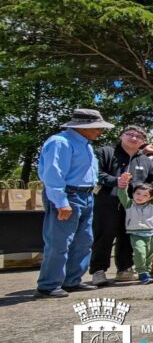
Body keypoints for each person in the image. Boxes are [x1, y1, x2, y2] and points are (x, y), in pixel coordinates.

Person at [35, 109, 114, 298]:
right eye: (97, 127)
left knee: (84, 241)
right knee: (59, 242)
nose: (100, 131)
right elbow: (52, 174)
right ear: (83, 127)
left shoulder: (85, 144)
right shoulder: (60, 142)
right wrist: (61, 201)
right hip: (68, 195)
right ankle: (48, 285)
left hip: (86, 196)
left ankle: (72, 280)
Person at [90, 125, 153, 284]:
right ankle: (98, 271)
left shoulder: (146, 160)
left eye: (139, 137)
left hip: (134, 208)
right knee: (104, 236)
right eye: (130, 134)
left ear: (143, 142)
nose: (134, 138)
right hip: (108, 202)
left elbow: (151, 180)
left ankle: (125, 269)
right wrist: (116, 181)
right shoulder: (105, 152)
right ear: (121, 135)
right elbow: (96, 173)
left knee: (129, 237)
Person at [116, 177, 153, 284]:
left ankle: (147, 272)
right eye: (138, 193)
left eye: (145, 195)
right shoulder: (129, 204)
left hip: (152, 233)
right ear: (133, 194)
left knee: (150, 253)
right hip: (136, 234)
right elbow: (122, 194)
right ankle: (142, 273)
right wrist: (123, 185)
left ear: (150, 197)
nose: (140, 197)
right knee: (139, 253)